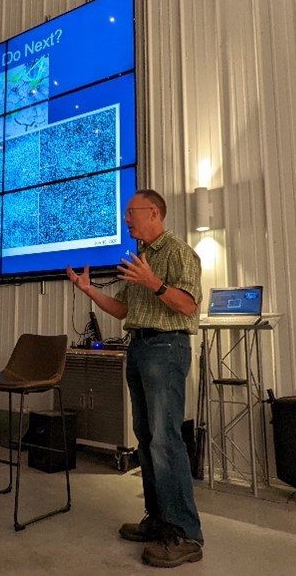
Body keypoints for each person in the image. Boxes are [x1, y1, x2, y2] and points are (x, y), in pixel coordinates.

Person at [66, 189, 203, 568]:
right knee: (146, 438)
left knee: (165, 440)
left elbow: (190, 305)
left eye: (131, 212)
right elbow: (123, 307)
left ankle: (185, 533)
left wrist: (155, 283)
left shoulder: (178, 253)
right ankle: (159, 521)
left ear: (154, 213)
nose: (126, 219)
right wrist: (89, 289)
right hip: (139, 346)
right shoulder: (142, 258)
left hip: (166, 349)